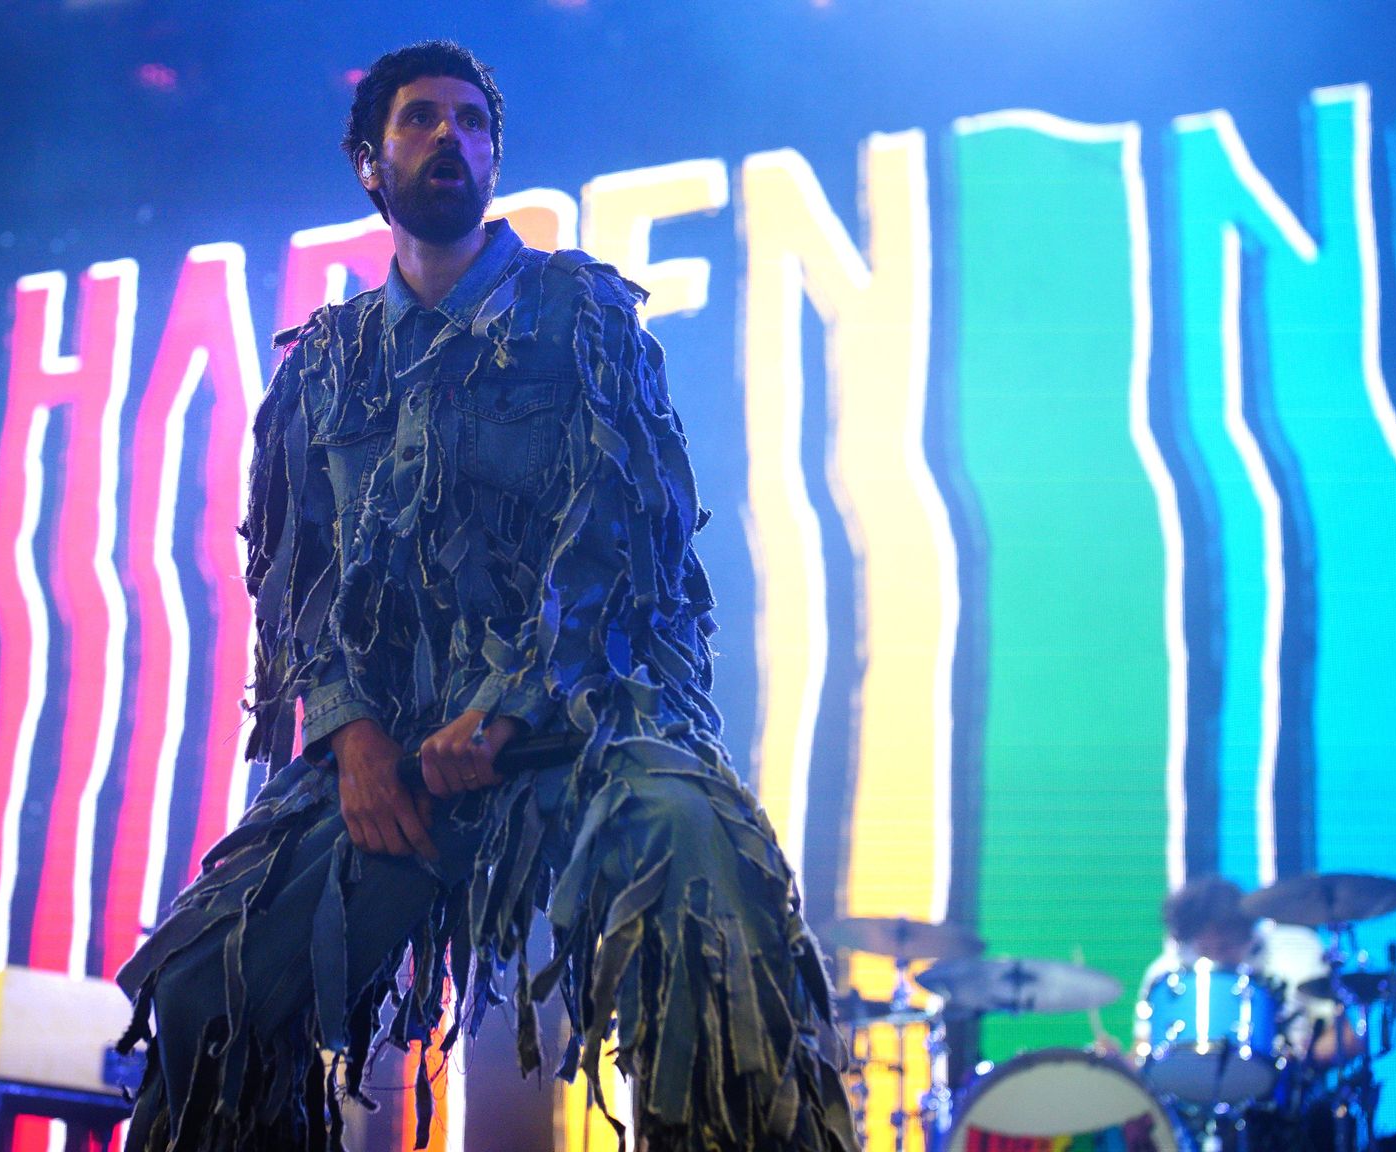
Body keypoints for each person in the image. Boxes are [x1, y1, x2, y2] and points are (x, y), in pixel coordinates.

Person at [115, 39, 856, 1152]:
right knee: (203, 987)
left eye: (470, 122)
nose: (449, 138)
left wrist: (514, 700)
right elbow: (296, 582)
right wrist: (353, 737)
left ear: (494, 156)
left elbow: (625, 537)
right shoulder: (321, 363)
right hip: (398, 759)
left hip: (582, 732)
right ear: (369, 161)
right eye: (420, 120)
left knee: (702, 881)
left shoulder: (583, 315)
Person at [1133, 875, 1350, 1066]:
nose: (1215, 956)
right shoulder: (1167, 971)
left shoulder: (1295, 950)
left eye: (1225, 946)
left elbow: (1347, 1037)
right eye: (1205, 949)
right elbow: (1144, 1049)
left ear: (1246, 930)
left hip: (1289, 1097)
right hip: (1185, 1099)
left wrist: (1306, 1060)